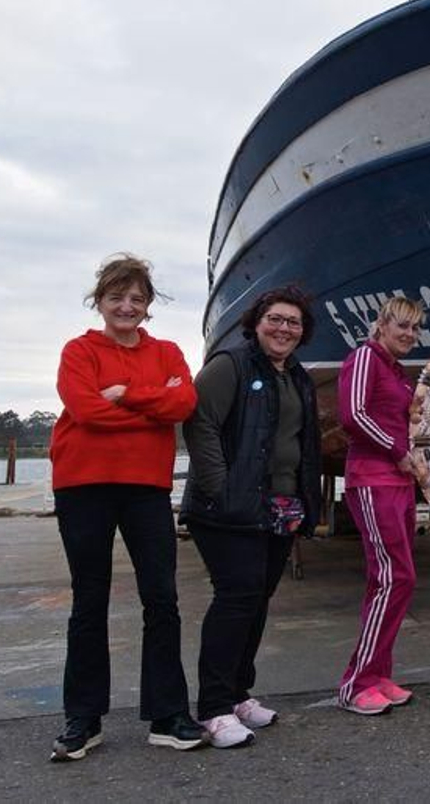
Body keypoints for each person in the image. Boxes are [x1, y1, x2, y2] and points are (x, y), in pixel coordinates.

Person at [48, 254, 204, 761]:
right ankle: (83, 718)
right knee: (89, 600)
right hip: (82, 485)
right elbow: (86, 411)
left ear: (148, 305)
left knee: (162, 599)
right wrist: (152, 407)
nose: (127, 306)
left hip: (146, 488)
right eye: (117, 297)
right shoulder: (79, 351)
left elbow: (184, 404)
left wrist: (125, 394)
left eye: (137, 298)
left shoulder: (168, 352)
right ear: (100, 301)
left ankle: (168, 715)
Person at [180, 285, 323, 747]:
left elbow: (304, 443)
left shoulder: (297, 376)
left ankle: (239, 694)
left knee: (258, 598)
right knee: (236, 596)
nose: (284, 328)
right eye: (275, 319)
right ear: (256, 323)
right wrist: (221, 489)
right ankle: (214, 708)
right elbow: (199, 423)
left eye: (293, 322)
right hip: (227, 508)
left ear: (303, 332)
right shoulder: (230, 366)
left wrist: (307, 500)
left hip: (280, 506)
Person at [336, 296, 426, 715]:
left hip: (400, 481)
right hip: (374, 478)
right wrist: (397, 450)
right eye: (402, 325)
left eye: (415, 328)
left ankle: (378, 674)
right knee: (393, 577)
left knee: (396, 578)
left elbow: (416, 418)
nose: (409, 334)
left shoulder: (398, 372)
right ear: (381, 324)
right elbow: (353, 415)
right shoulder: (365, 358)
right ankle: (356, 683)